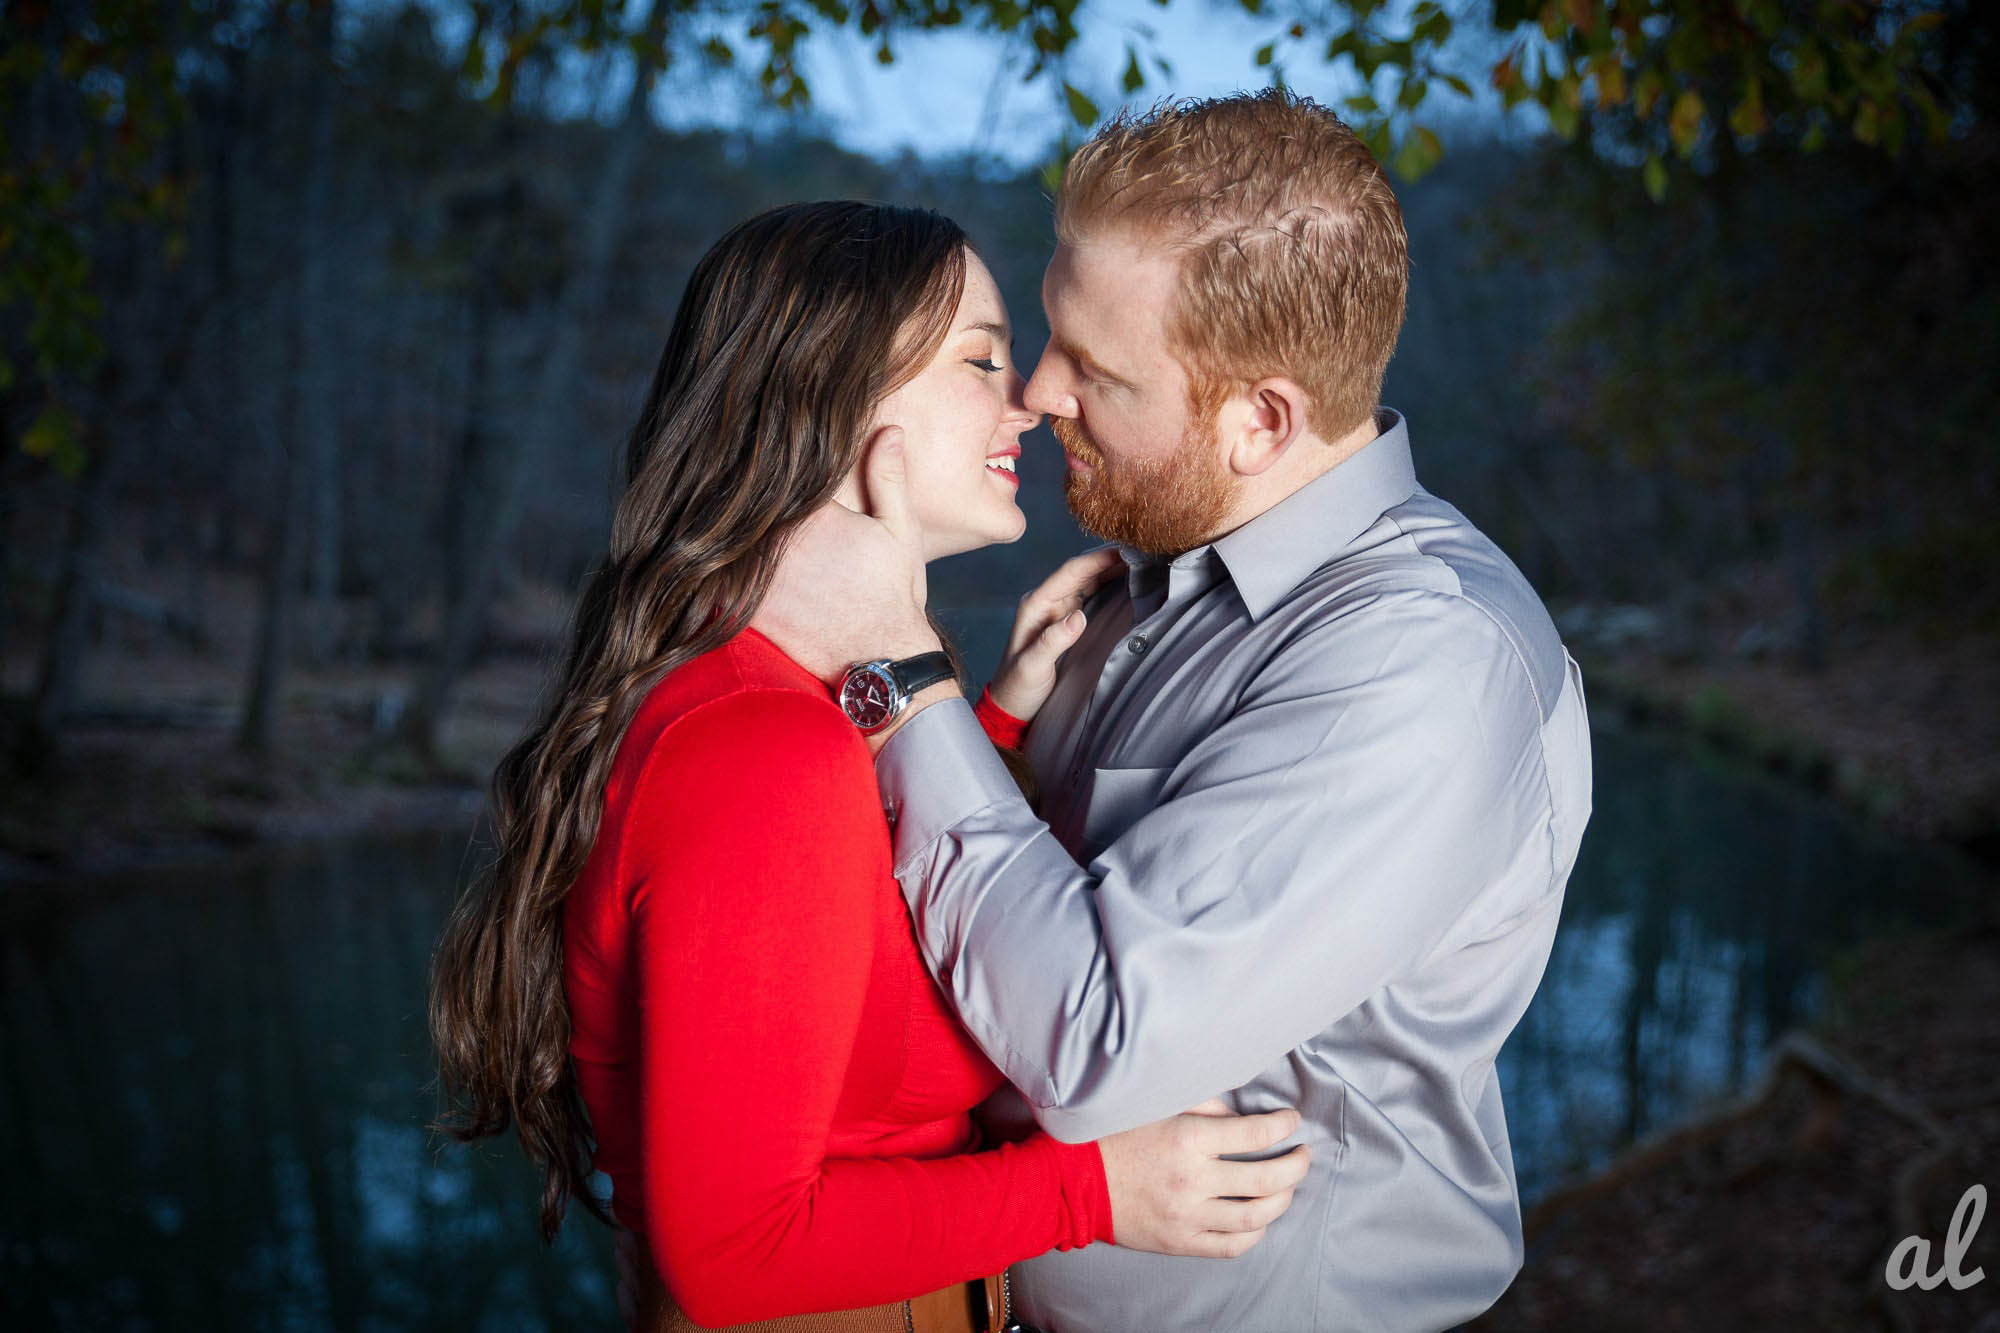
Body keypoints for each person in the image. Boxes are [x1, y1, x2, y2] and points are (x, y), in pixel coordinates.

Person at [753, 92, 1595, 1332]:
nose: (1035, 393)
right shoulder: (1145, 571)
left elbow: (1092, 1044)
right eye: (1046, 337)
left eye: (1094, 369)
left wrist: (896, 673)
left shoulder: (1421, 662)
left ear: (1259, 420)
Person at [427, 200, 1312, 1333]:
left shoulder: (784, 708)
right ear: (835, 400)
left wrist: (982, 723)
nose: (1027, 404)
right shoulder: (761, 750)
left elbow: (854, 973)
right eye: (982, 359)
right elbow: (737, 1254)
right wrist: (1096, 1190)